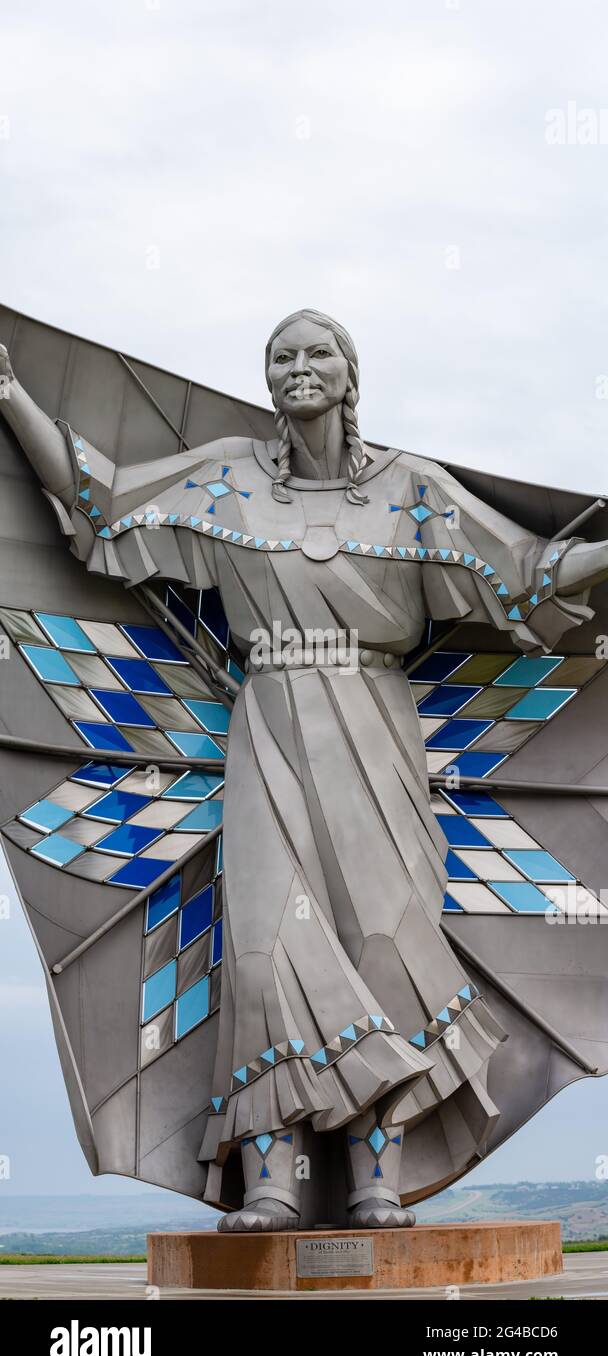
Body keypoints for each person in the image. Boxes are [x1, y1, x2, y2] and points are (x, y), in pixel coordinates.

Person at [1, 309, 606, 1232]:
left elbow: (525, 571)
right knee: (261, 948)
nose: (297, 369)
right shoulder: (228, 480)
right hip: (269, 722)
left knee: (385, 938)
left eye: (317, 353)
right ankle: (272, 1180)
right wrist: (9, 393)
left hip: (376, 725)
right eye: (281, 356)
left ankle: (377, 1181)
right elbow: (103, 506)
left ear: (350, 374)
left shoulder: (412, 492)